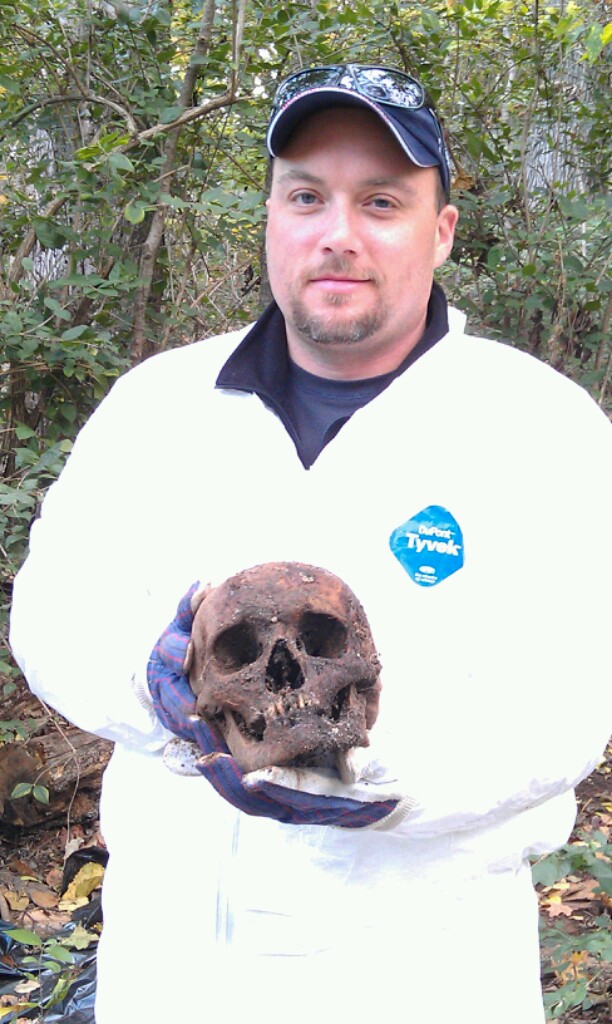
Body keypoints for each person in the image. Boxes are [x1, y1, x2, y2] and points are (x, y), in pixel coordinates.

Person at [9, 64, 612, 1024]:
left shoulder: (541, 429)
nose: (339, 234)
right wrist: (150, 684)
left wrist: (387, 781)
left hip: (419, 973)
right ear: (270, 219)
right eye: (307, 197)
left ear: (442, 230)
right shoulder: (156, 407)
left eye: (382, 201)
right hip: (176, 966)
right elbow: (51, 612)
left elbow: (579, 696)